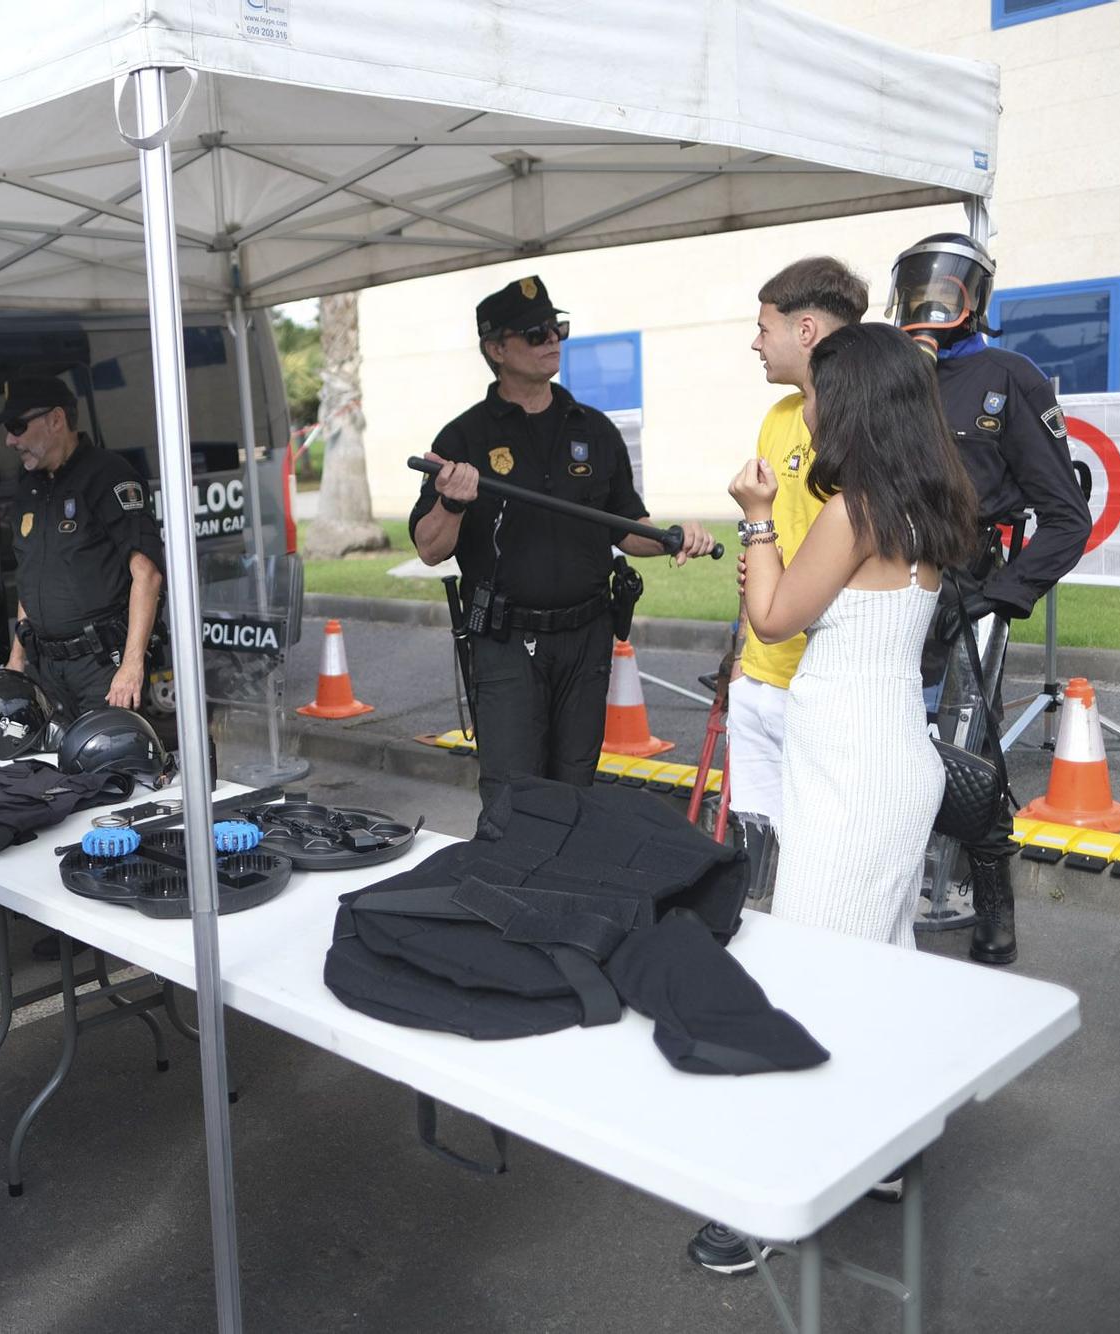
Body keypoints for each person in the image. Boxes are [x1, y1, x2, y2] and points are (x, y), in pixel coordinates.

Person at [690, 321, 981, 1278]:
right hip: (882, 758)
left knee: (809, 976)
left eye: (817, 390)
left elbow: (771, 616)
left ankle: (774, 1196)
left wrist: (760, 521)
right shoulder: (921, 499)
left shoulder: (857, 509)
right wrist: (772, 554)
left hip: (858, 774)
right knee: (881, 963)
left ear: (849, 400)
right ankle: (888, 1152)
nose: (803, 406)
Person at [412, 276, 718, 803]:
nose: (552, 338)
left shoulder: (595, 430)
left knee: (577, 786)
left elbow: (627, 527)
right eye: (535, 332)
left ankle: (565, 884)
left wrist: (672, 539)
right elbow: (430, 547)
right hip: (507, 643)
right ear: (496, 348)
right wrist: (453, 501)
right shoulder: (464, 438)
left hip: (586, 639)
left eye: (558, 327)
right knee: (513, 793)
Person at [888, 232, 1090, 965]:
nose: (930, 296)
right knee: (888, 745)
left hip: (968, 592)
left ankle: (991, 895)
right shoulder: (893, 381)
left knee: (965, 758)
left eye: (946, 283)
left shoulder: (1010, 377)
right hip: (885, 586)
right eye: (919, 282)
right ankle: (889, 889)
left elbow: (1067, 517)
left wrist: (1000, 597)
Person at [729, 258, 869, 884]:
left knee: (818, 868)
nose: (755, 341)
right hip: (759, 675)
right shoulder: (780, 416)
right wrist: (741, 655)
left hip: (820, 686)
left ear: (806, 329)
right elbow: (759, 544)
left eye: (764, 327)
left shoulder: (865, 427)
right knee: (755, 861)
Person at [0, 376, 164, 720]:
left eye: (17, 426)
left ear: (56, 419)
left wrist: (132, 665)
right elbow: (30, 577)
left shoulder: (109, 476)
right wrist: (17, 659)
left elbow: (146, 574)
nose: (10, 440)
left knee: (104, 766)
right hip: (45, 668)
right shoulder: (28, 486)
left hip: (101, 668)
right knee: (48, 770)